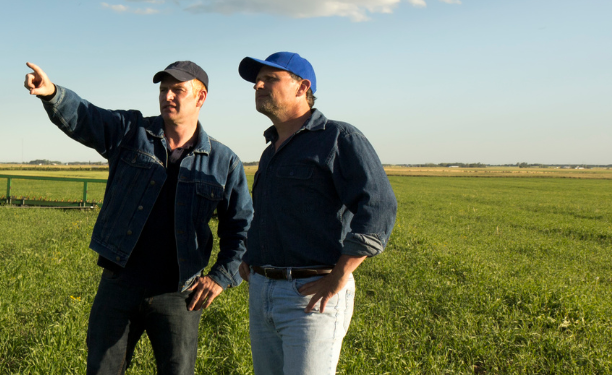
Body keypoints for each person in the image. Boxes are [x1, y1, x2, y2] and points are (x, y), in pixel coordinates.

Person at [23, 61, 253, 374]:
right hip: (120, 283)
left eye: (178, 90)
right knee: (102, 369)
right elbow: (88, 117)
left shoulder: (224, 162)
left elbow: (241, 227)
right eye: (163, 89)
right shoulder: (131, 132)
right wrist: (52, 94)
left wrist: (222, 276)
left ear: (200, 98)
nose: (168, 96)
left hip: (179, 293)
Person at [235, 52, 398, 375]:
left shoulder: (338, 138)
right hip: (263, 291)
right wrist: (250, 257)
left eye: (270, 78)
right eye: (258, 79)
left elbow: (378, 206)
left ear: (302, 87)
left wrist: (340, 275)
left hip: (310, 295)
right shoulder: (271, 152)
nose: (258, 84)